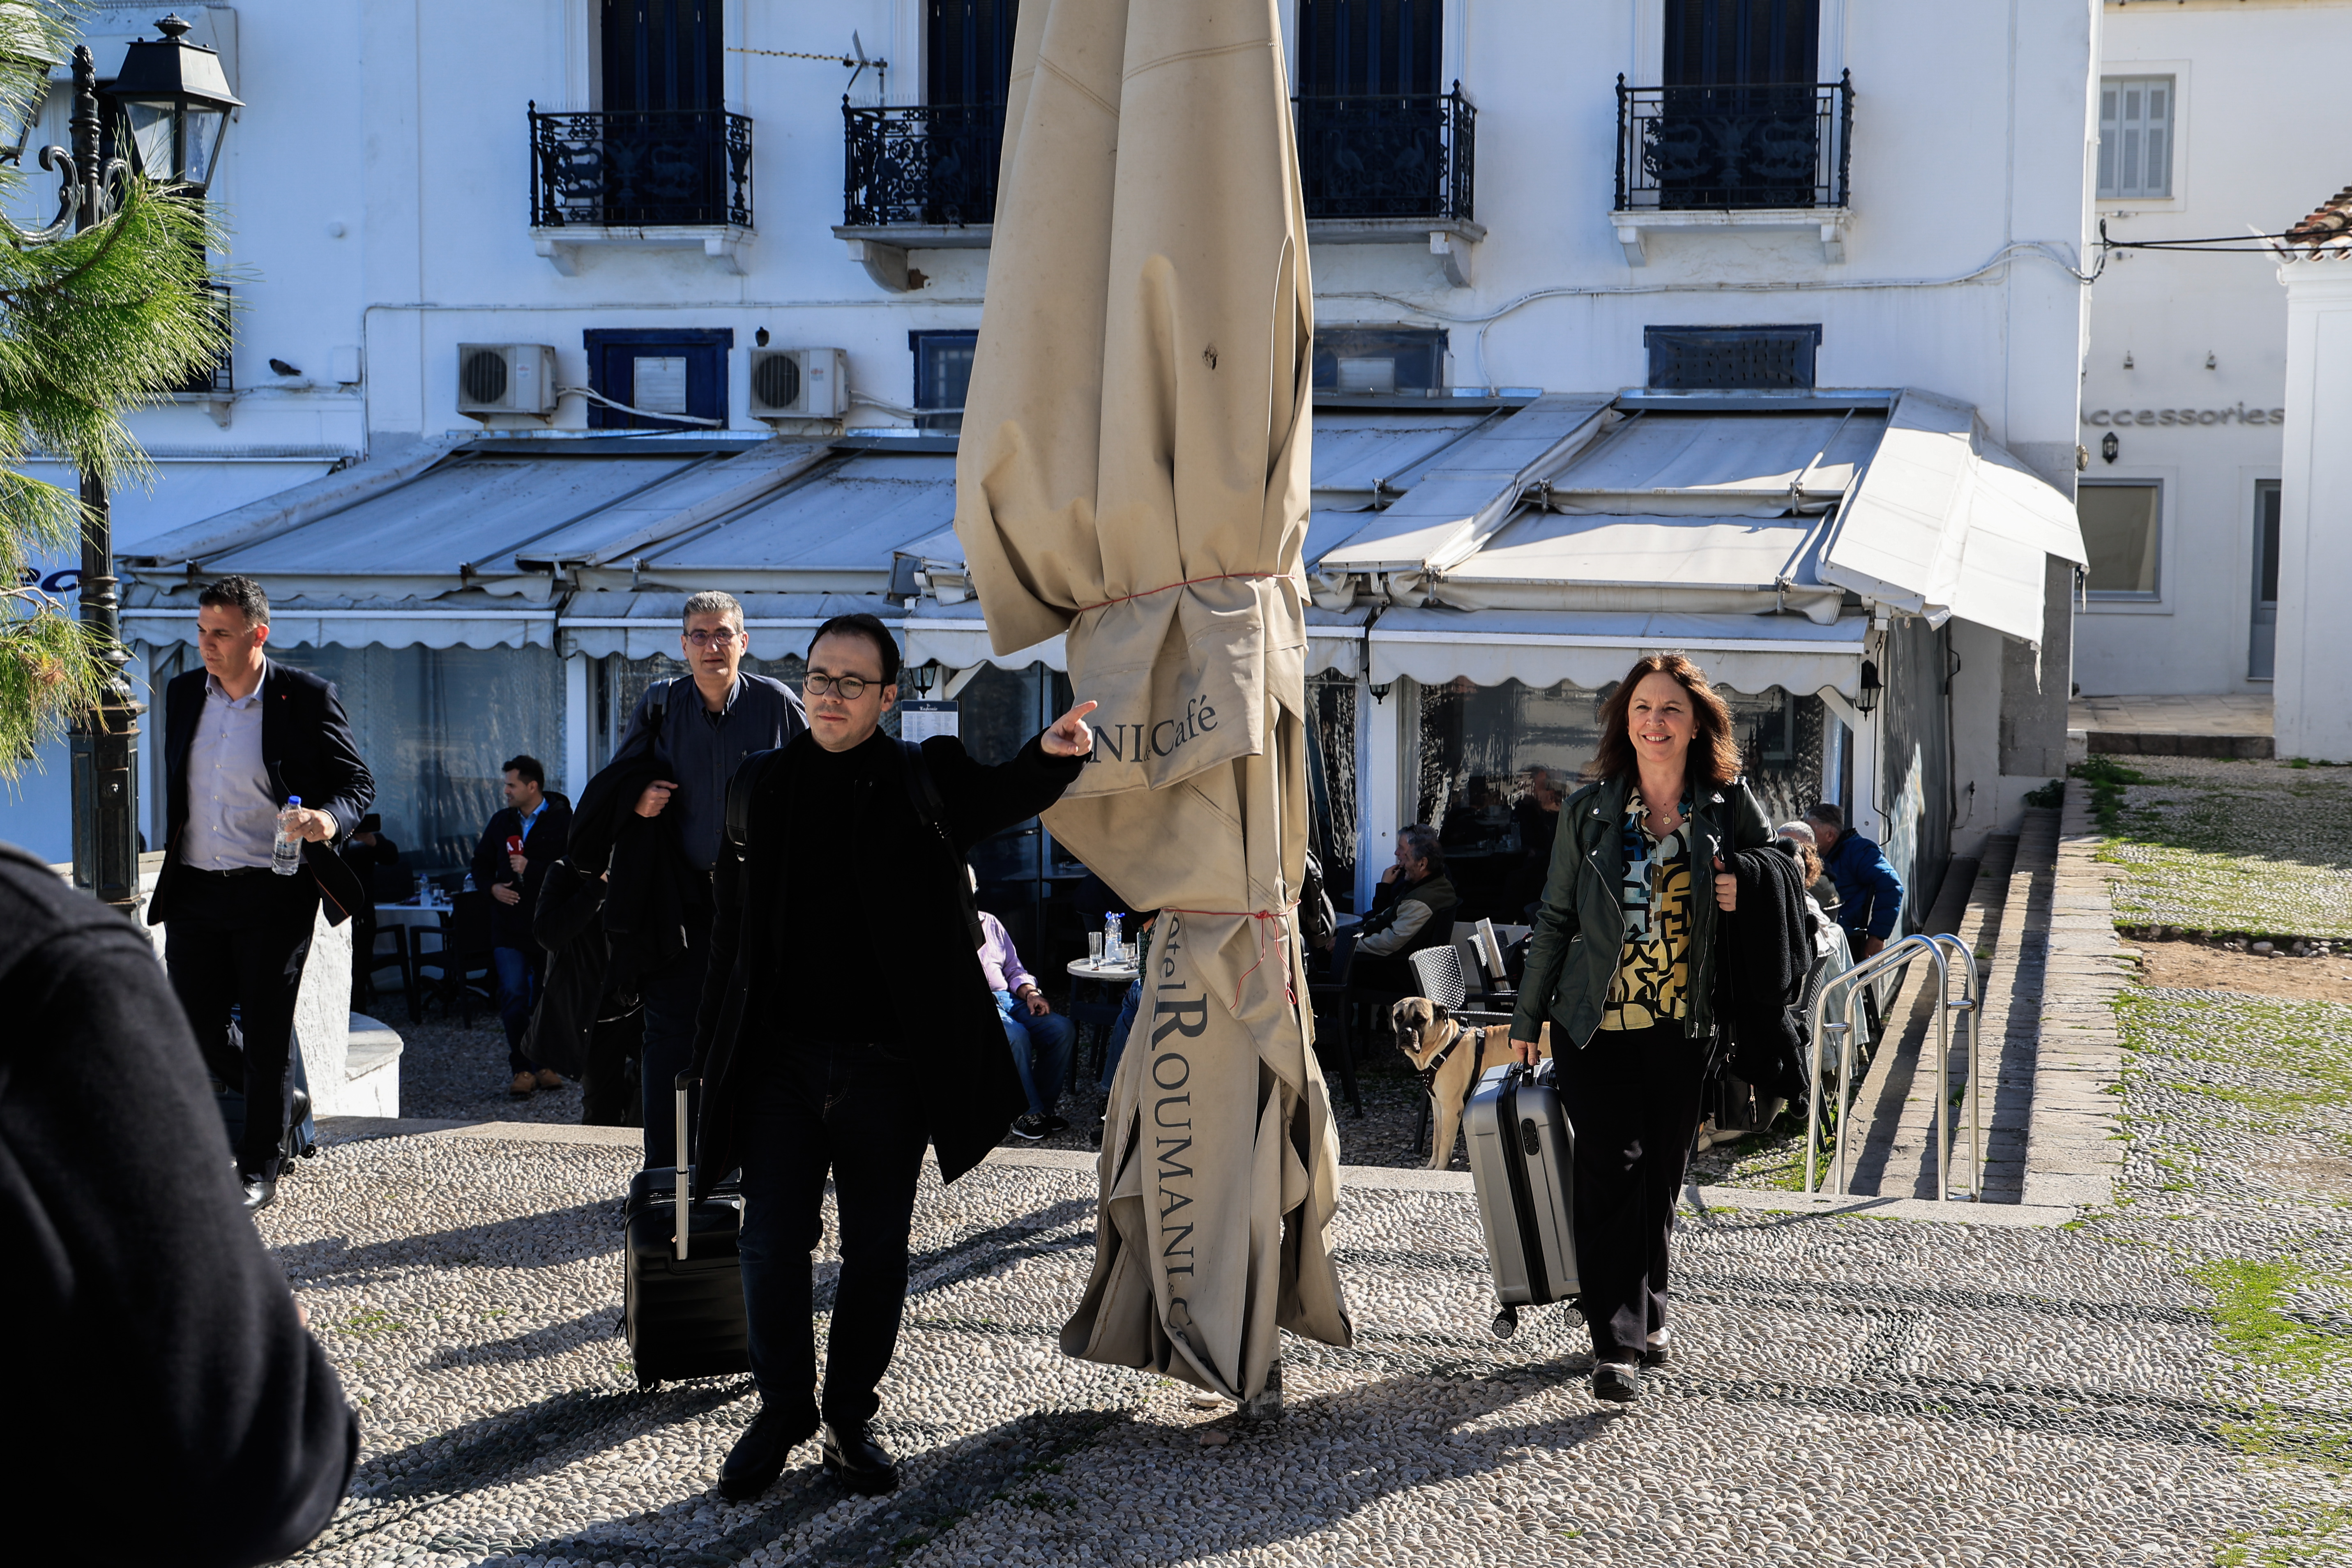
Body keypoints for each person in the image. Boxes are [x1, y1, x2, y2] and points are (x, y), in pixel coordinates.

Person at [692, 612, 1093, 1501]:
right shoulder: (756, 786)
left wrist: (1053, 753)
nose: (830, 697)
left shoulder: (922, 774)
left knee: (877, 1252)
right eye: (819, 679)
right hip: (781, 1068)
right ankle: (783, 1410)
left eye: (851, 684)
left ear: (887, 697)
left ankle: (847, 1417)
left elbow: (996, 796)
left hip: (889, 1068)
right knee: (770, 1244)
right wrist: (708, 1053)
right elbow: (731, 935)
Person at [1, 840, 358, 1563]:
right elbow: (245, 1461)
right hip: (194, 910)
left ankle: (268, 1144)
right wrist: (262, 1344)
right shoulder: (45, 959)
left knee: (259, 1043)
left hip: (268, 903)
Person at [1507, 652, 1770, 1403]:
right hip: (1594, 1020)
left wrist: (1740, 880)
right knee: (1609, 1168)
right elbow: (1555, 917)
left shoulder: (1725, 803)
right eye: (1642, 710)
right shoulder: (1590, 810)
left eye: (1670, 710)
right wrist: (1527, 1016)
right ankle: (1614, 1343)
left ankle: (1650, 1308)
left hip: (1683, 1024)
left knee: (1660, 1171)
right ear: (1627, 723)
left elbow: (1782, 869)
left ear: (1696, 725)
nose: (1655, 723)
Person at [148, 575, 373, 1213]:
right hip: (194, 886)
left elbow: (357, 784)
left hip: (273, 890)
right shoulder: (185, 692)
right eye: (201, 631)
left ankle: (259, 1165)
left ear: (258, 635)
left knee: (268, 1030)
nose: (207, 645)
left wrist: (327, 821)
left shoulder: (304, 697)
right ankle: (283, 1101)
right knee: (193, 1026)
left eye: (221, 633)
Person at [610, 589, 806, 1165]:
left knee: (758, 1031)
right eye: (700, 634)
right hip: (683, 900)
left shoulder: (777, 704)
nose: (712, 646)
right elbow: (617, 783)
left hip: (757, 900)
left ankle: (746, 1165)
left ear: (744, 643)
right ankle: (664, 1172)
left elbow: (817, 782)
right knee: (669, 1035)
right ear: (683, 646)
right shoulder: (659, 705)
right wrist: (639, 797)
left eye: (724, 634)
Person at [472, 755, 573, 1096]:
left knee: (546, 1000)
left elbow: (573, 869)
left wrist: (531, 867)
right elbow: (480, 862)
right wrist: (491, 888)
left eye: (511, 784)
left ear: (533, 786)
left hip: (548, 927)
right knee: (514, 995)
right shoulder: (502, 822)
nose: (506, 791)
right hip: (509, 928)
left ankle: (545, 1065)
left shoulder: (563, 821)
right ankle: (522, 1069)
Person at [975, 882, 1077, 1140]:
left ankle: (1042, 1109)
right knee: (1015, 1035)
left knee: (1061, 1029)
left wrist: (1032, 994)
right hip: (974, 1004)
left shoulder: (990, 923)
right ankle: (1025, 1112)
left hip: (1008, 998)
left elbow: (1013, 969)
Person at [1348, 824, 1459, 991]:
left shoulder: (1422, 900)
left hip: (1403, 973)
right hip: (1407, 966)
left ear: (1422, 864)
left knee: (1339, 966)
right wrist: (1354, 935)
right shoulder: (1434, 885)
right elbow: (1386, 916)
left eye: (1407, 857)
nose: (1402, 863)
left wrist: (1350, 946)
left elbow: (1391, 942)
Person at [1804, 800, 1903, 957]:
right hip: (1819, 931)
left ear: (1830, 835)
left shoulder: (1859, 851)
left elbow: (1892, 884)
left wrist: (1877, 936)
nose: (1806, 837)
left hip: (1843, 939)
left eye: (1810, 833)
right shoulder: (1818, 855)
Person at [341, 813, 405, 1008]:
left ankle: (359, 1017)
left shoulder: (366, 840)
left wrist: (372, 840)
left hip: (362, 917)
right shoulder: (336, 839)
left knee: (359, 974)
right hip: (338, 914)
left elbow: (392, 856)